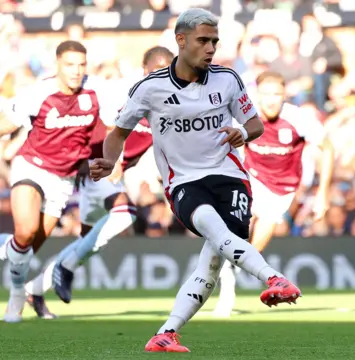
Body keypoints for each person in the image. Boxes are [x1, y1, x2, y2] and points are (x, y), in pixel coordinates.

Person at [88, 8, 301, 353]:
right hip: (184, 182)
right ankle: (273, 278)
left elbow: (256, 125)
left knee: (214, 260)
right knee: (216, 233)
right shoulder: (150, 88)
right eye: (203, 40)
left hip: (230, 177)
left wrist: (241, 133)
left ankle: (166, 333)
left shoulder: (227, 79)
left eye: (214, 41)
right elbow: (118, 134)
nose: (211, 48)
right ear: (181, 40)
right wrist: (109, 161)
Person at [21, 46, 174, 318]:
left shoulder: (171, 107)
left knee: (86, 243)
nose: (162, 78)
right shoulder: (122, 92)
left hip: (110, 175)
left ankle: (35, 288)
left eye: (168, 72)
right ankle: (64, 267)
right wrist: (111, 158)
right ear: (144, 71)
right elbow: (102, 123)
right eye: (156, 72)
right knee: (124, 214)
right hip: (93, 168)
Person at [0, 41, 115, 323]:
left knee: (28, 245)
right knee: (25, 232)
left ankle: (12, 269)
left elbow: (115, 129)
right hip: (32, 166)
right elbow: (6, 123)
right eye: (70, 65)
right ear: (57, 65)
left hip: (64, 178)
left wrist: (113, 161)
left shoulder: (98, 91)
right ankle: (16, 296)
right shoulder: (39, 93)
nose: (76, 71)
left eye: (81, 65)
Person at [212, 71, 333, 317]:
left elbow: (328, 148)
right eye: (266, 94)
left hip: (282, 187)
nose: (271, 100)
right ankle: (226, 285)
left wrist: (323, 194)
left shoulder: (299, 119)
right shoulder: (244, 116)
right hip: (251, 177)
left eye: (277, 94)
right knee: (232, 232)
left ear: (284, 95)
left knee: (254, 246)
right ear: (257, 95)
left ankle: (233, 270)